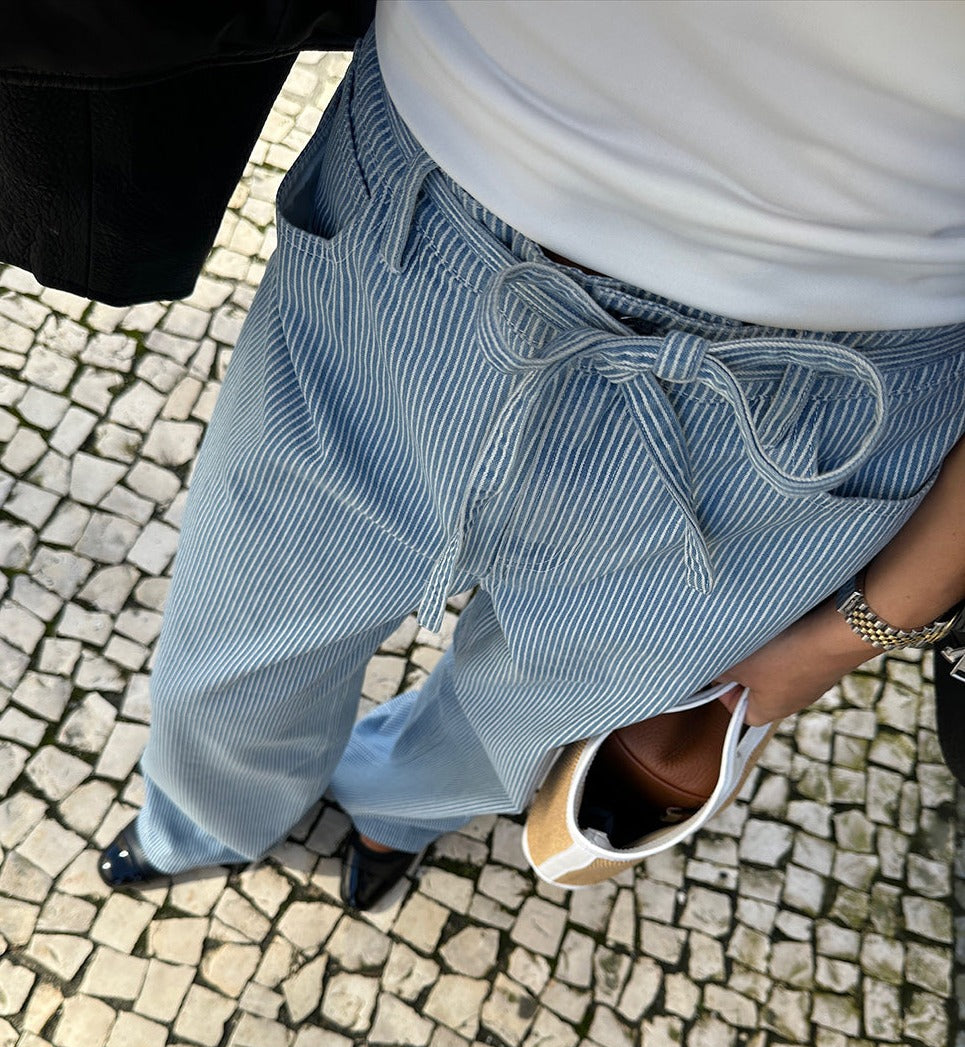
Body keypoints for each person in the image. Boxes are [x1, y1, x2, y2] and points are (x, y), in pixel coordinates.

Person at [97, 0, 965, 908]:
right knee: (241, 625)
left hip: (816, 404)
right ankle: (205, 815)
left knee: (531, 711)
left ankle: (403, 805)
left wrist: (842, 640)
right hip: (429, 222)